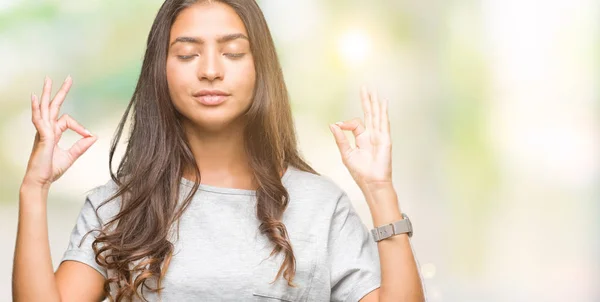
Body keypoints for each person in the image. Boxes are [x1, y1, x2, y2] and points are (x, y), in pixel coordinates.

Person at [12, 0, 424, 301]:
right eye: (188, 54)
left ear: (260, 68)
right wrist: (34, 187)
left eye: (232, 52)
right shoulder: (118, 207)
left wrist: (379, 189)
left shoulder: (321, 205)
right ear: (162, 71)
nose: (210, 70)